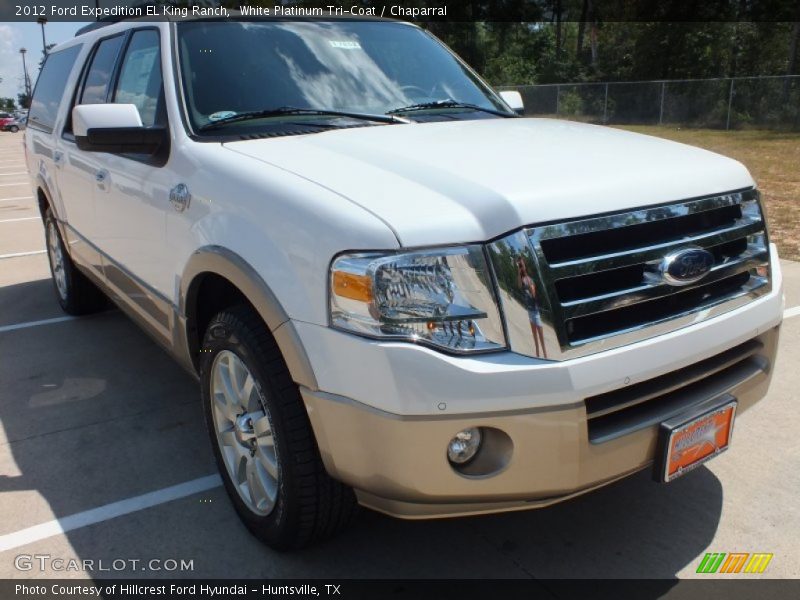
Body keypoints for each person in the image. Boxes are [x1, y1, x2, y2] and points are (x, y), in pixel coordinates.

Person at [517, 256, 547, 358]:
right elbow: (519, 286)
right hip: (529, 311)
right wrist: (519, 271)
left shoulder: (530, 279)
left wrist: (526, 277)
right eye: (520, 264)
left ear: (525, 265)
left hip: (535, 311)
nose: (521, 266)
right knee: (534, 336)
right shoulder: (521, 279)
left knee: (541, 335)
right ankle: (538, 355)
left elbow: (533, 294)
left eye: (522, 264)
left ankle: (546, 355)